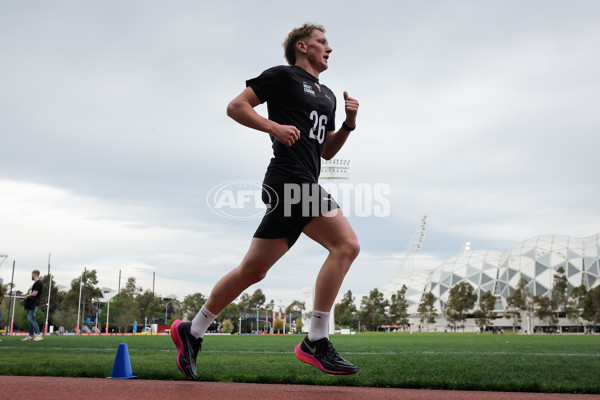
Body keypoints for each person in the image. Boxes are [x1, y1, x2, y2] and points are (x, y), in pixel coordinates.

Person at [171, 22, 360, 379]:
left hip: (301, 180)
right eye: (322, 42)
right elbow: (236, 106)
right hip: (289, 179)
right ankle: (316, 339)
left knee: (253, 271)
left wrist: (349, 124)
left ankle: (191, 330)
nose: (329, 48)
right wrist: (272, 127)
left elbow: (327, 151)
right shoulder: (282, 77)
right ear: (302, 47)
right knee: (346, 246)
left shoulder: (329, 95)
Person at [22, 270, 43, 341]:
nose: (31, 275)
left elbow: (35, 293)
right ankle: (30, 335)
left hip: (33, 303)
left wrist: (27, 295)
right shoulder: (36, 283)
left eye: (32, 274)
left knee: (31, 319)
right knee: (30, 320)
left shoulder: (38, 283)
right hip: (31, 303)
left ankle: (38, 335)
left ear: (34, 274)